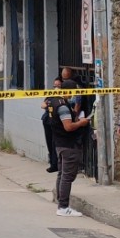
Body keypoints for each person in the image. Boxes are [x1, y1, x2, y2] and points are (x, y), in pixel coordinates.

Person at [46, 80, 92, 217]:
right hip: (69, 144)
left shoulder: (53, 101)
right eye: (74, 91)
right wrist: (81, 123)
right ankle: (63, 207)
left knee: (62, 174)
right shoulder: (63, 106)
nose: (74, 95)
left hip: (60, 143)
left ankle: (60, 202)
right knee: (67, 176)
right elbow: (68, 126)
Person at [41, 78, 63, 173]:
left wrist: (50, 105)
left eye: (58, 86)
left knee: (55, 143)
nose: (56, 88)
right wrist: (48, 105)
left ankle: (56, 164)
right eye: (55, 86)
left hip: (56, 122)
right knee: (49, 142)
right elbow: (43, 105)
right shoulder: (51, 95)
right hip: (47, 120)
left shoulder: (63, 96)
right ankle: (52, 163)